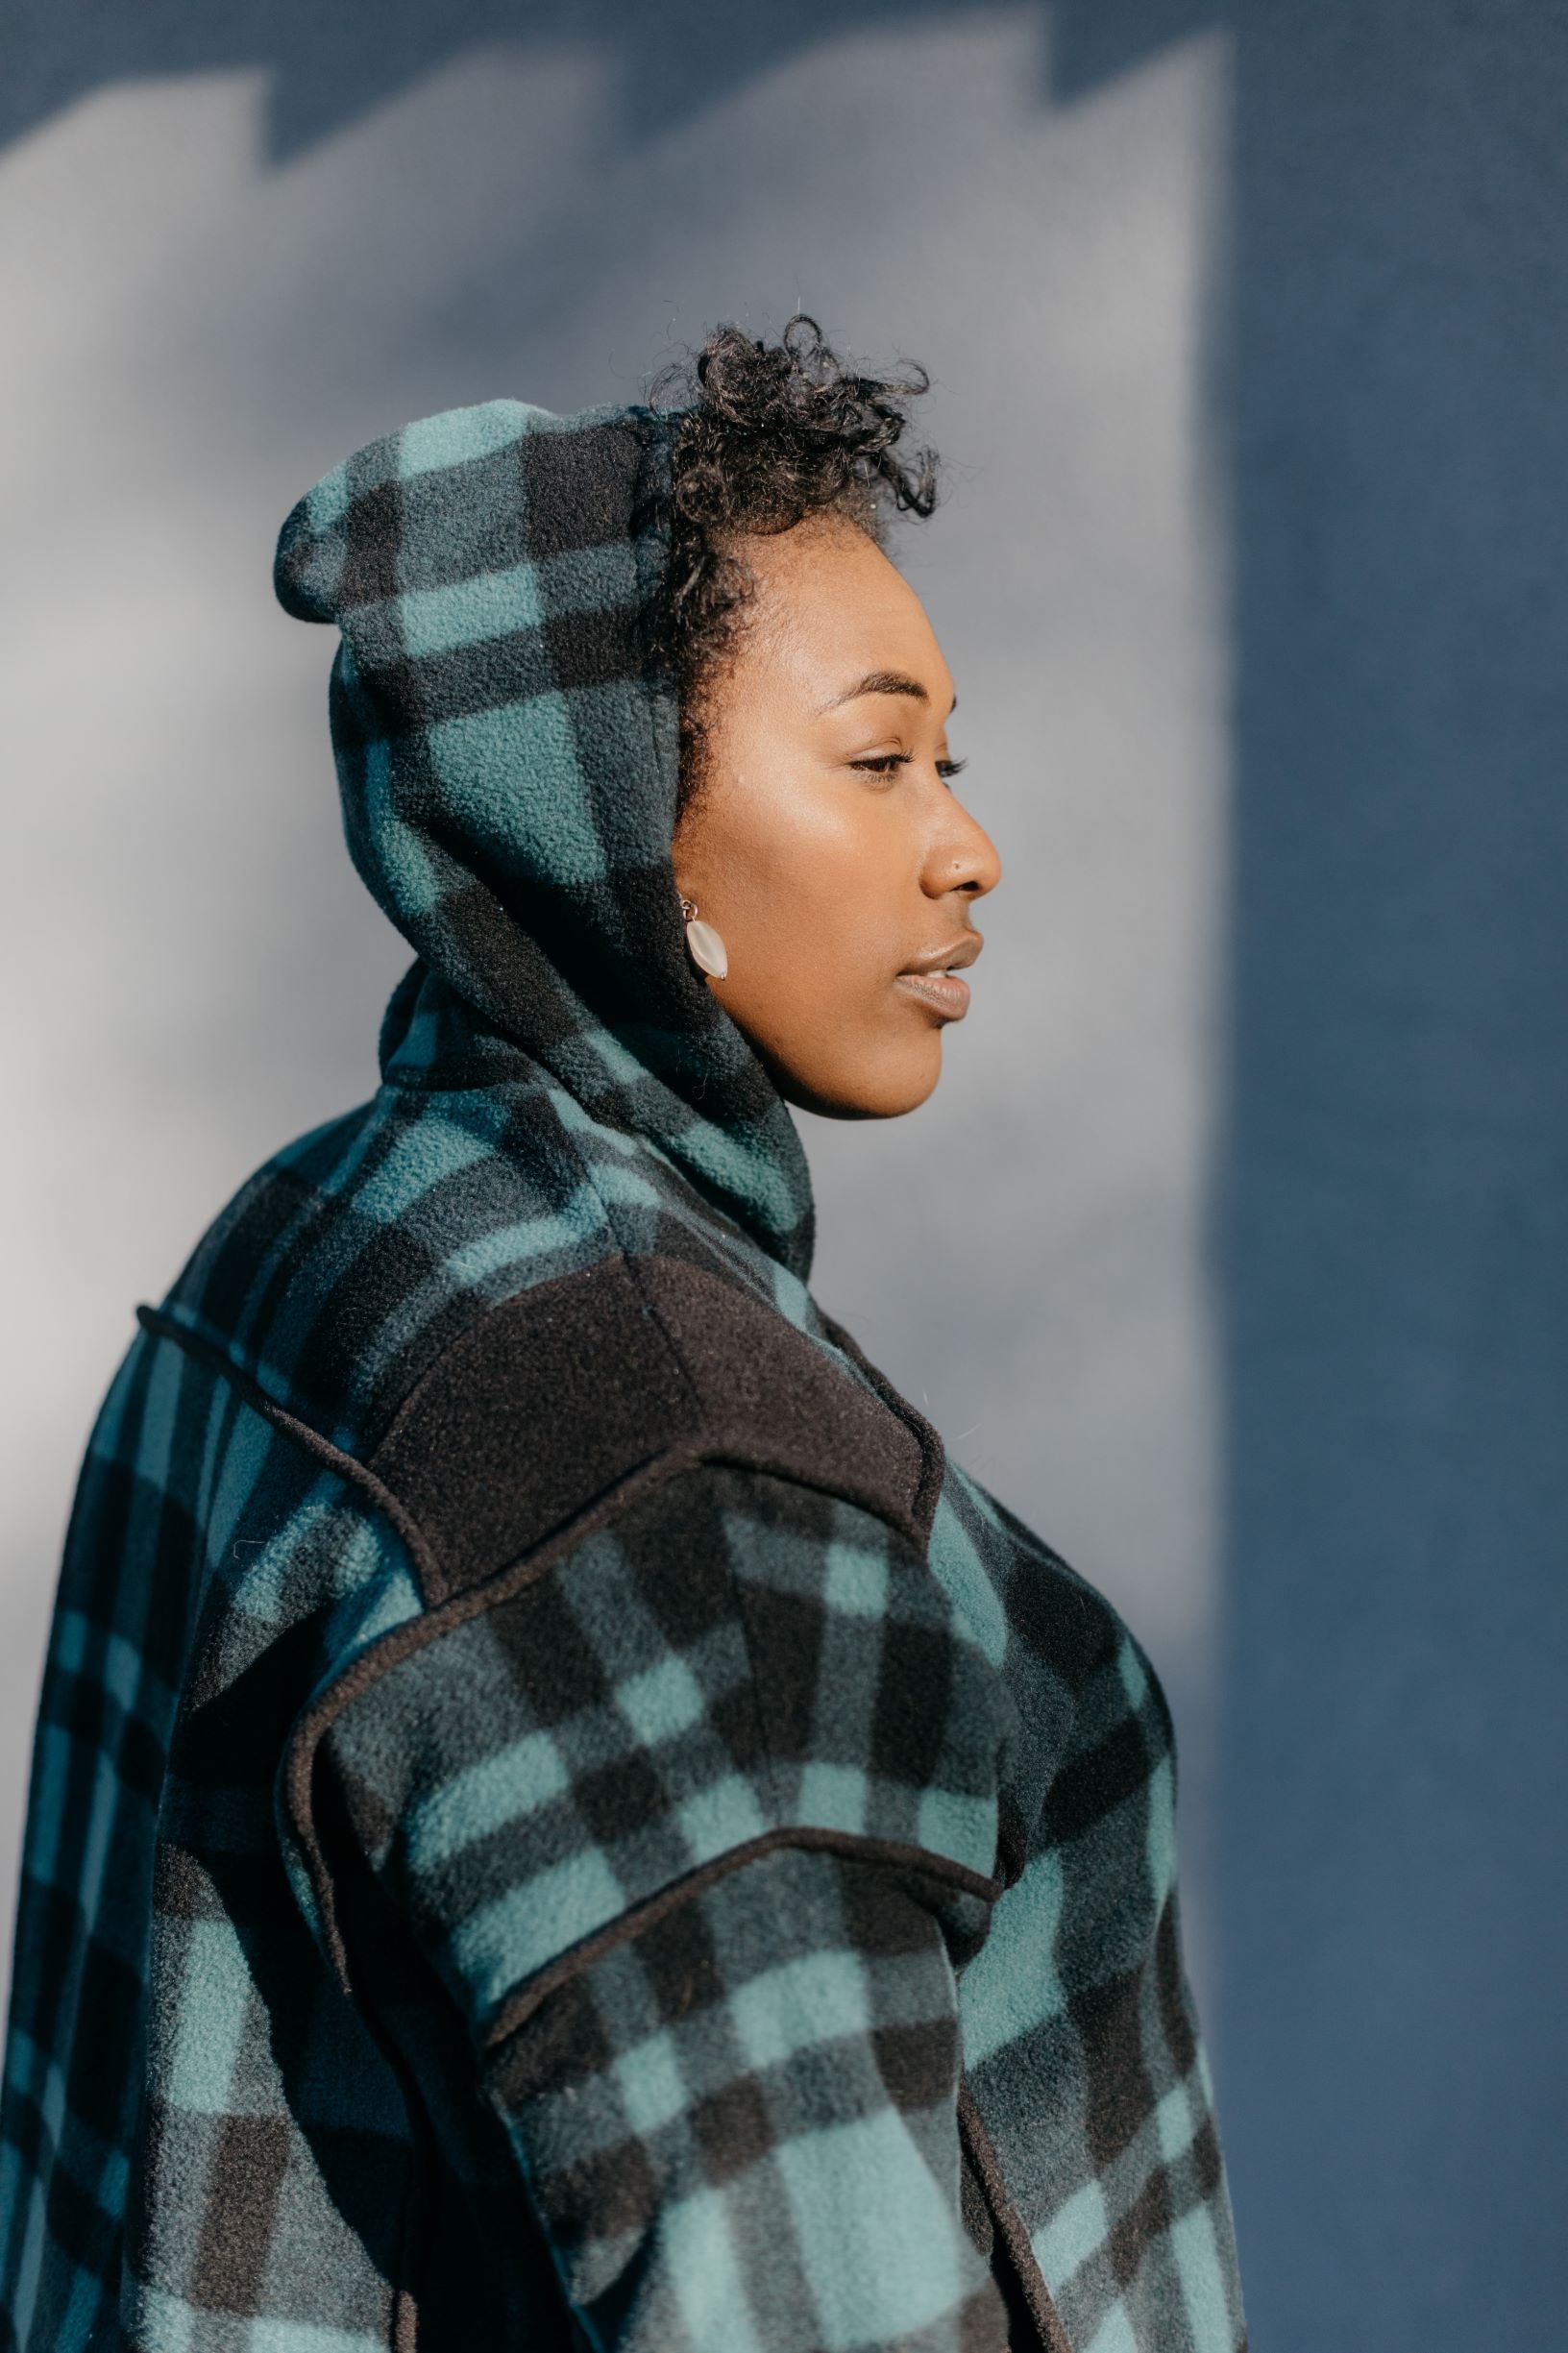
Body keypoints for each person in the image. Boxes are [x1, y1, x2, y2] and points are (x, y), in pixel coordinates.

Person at [0, 320, 1245, 2352]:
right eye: (877, 757)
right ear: (620, 833)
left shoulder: (319, 1237)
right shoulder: (680, 1485)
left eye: (954, 757)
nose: (968, 844)